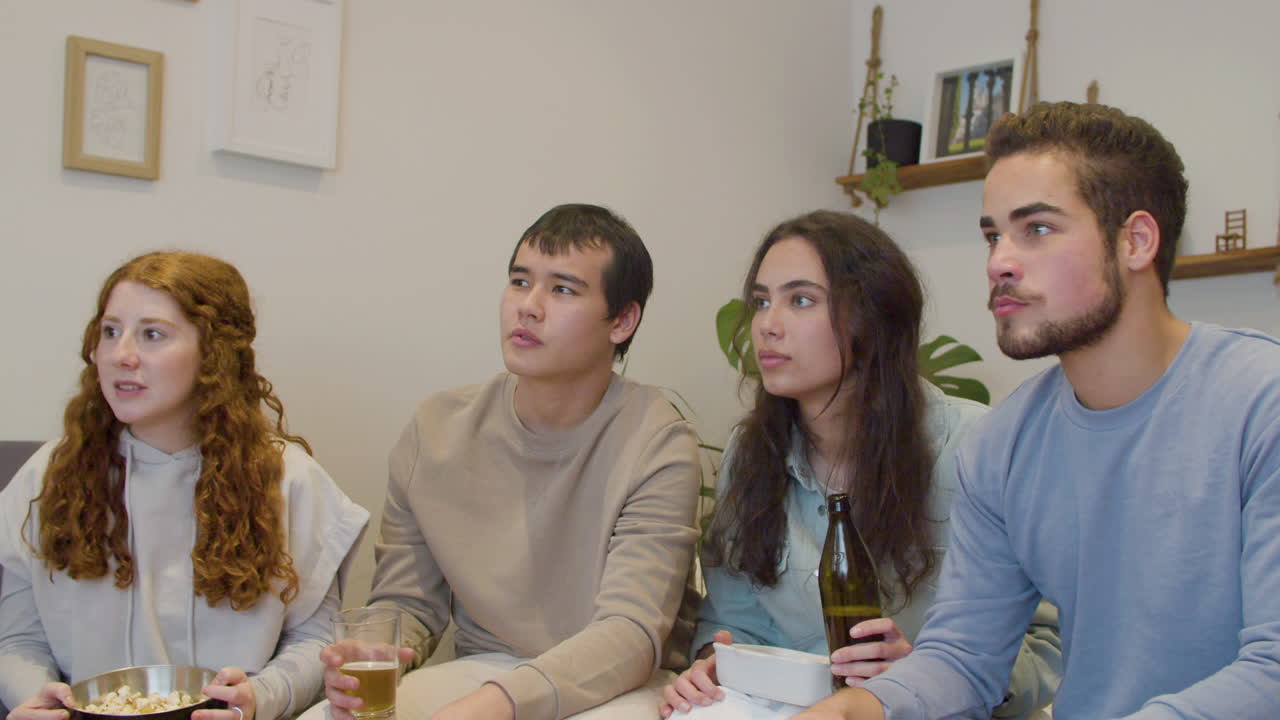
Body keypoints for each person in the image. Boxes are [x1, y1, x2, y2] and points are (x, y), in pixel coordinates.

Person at [794, 102, 1280, 720]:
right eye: (993, 234)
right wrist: (859, 709)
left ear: (1136, 241)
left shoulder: (1262, 404)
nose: (999, 260)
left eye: (1038, 229)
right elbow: (965, 658)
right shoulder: (1003, 443)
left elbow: (1274, 671)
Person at [658, 211, 1061, 720]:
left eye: (800, 300)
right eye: (761, 301)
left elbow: (1050, 641)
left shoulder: (978, 447)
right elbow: (734, 621)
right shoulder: (751, 452)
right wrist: (714, 665)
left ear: (871, 319)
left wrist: (931, 673)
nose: (767, 324)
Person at [312, 203, 701, 720]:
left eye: (562, 289)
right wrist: (382, 648)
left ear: (622, 320)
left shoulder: (658, 440)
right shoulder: (436, 429)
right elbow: (408, 604)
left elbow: (631, 633)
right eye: (520, 282)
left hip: (614, 684)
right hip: (485, 671)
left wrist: (496, 706)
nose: (529, 306)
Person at [0, 251, 369, 720]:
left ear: (213, 355)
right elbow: (18, 638)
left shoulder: (289, 480)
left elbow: (314, 640)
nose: (120, 355)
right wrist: (32, 695)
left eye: (152, 334)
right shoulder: (49, 475)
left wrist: (259, 698)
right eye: (110, 331)